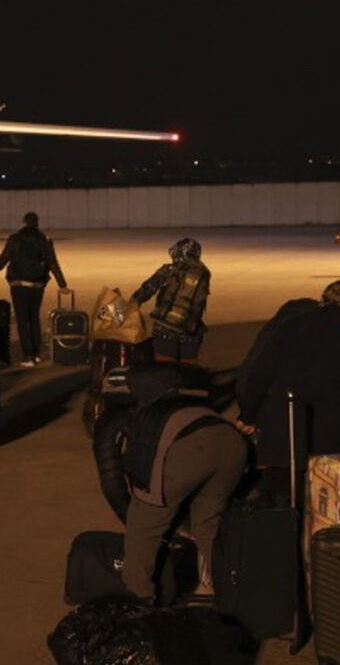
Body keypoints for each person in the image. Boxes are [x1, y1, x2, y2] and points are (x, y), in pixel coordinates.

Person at [116, 364, 246, 601]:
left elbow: (130, 474)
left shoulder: (140, 417)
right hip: (231, 443)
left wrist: (137, 507)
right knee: (208, 523)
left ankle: (139, 601)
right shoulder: (189, 402)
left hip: (186, 449)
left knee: (143, 527)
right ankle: (235, 593)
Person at [236, 281, 340, 506]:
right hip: (332, 443)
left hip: (287, 439)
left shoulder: (293, 325)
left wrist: (248, 415)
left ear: (323, 301)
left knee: (285, 509)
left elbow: (260, 374)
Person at [0, 211, 67, 367]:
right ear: (37, 223)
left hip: (18, 284)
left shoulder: (15, 239)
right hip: (37, 284)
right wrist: (63, 285)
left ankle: (28, 356)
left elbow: (3, 259)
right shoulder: (45, 240)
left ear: (24, 223)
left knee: (22, 319)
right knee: (34, 316)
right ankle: (36, 353)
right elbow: (53, 263)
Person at [132, 237, 210, 363]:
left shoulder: (168, 269)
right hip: (191, 331)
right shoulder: (204, 273)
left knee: (165, 369)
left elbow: (147, 289)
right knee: (188, 371)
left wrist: (133, 303)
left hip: (165, 328)